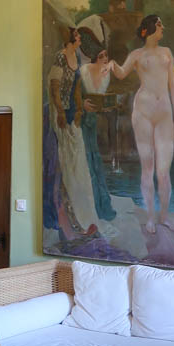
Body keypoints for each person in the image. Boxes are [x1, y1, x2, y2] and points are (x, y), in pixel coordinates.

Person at [111, 14, 174, 234]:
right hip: (142, 112)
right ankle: (150, 217)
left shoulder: (166, 52)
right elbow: (121, 74)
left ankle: (164, 217)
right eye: (159, 25)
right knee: (147, 167)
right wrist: (111, 64)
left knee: (164, 171)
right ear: (148, 29)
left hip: (164, 114)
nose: (163, 28)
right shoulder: (136, 55)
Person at [48, 26, 100, 235]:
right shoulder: (60, 58)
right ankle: (76, 217)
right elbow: (54, 88)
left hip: (72, 111)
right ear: (69, 38)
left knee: (80, 165)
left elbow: (77, 87)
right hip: (60, 113)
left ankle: (88, 216)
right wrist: (61, 112)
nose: (79, 38)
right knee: (68, 163)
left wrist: (79, 109)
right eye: (77, 35)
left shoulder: (76, 57)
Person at [77, 19, 117, 222]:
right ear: (95, 56)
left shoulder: (105, 72)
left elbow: (100, 95)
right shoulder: (84, 70)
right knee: (86, 160)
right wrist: (82, 103)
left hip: (93, 119)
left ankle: (100, 204)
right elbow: (78, 94)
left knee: (94, 160)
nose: (104, 59)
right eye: (101, 56)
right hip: (81, 118)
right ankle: (90, 205)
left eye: (106, 56)